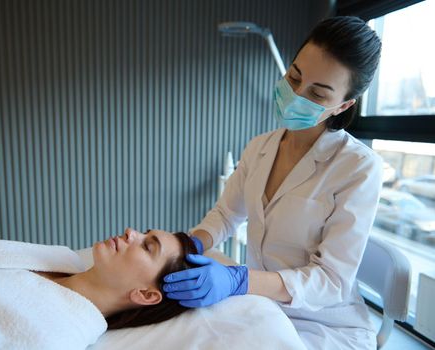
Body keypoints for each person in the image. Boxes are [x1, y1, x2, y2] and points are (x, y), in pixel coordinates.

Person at [163, 16, 383, 350]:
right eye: (294, 76)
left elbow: (332, 281)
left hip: (325, 325)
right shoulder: (260, 147)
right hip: (261, 307)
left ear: (344, 105)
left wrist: (238, 280)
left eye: (317, 94)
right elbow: (225, 215)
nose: (296, 94)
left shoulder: (358, 168)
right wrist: (189, 245)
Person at [0, 228, 197, 349]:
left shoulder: (49, 337)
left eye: (148, 246)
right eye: (144, 232)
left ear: (146, 294)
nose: (131, 233)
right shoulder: (60, 257)